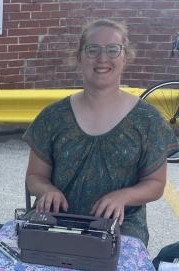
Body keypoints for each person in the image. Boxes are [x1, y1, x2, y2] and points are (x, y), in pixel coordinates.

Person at [22, 19, 179, 246]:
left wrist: (123, 196)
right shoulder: (52, 117)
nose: (102, 58)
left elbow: (155, 184)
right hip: (56, 221)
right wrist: (47, 190)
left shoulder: (148, 120)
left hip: (120, 227)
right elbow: (35, 177)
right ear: (79, 57)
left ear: (125, 57)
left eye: (113, 49)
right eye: (92, 49)